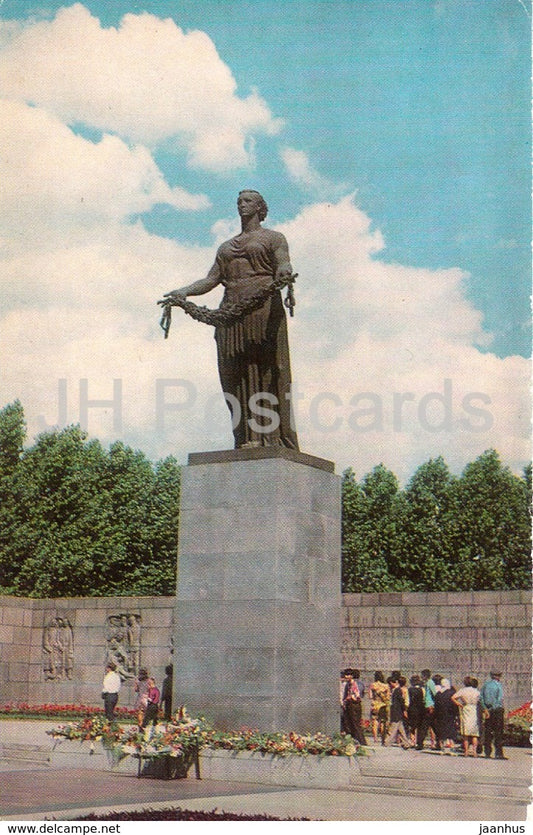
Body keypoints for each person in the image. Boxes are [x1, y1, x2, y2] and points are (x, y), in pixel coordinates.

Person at [160, 190, 299, 450]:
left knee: (265, 370)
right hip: (231, 310)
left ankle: (269, 436)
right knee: (235, 374)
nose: (241, 205)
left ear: (260, 207)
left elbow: (283, 262)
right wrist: (184, 292)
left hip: (262, 307)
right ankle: (247, 437)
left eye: (247, 201)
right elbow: (211, 280)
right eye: (238, 201)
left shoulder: (274, 238)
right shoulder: (226, 247)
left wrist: (284, 271)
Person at [480, 670, 508, 760]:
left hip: (488, 710)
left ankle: (487, 752)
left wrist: (485, 709)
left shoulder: (486, 685)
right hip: (497, 710)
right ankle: (498, 753)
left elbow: (481, 698)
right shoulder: (498, 685)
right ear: (499, 676)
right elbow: (499, 699)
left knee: (488, 731)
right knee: (498, 732)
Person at [452, 676, 481, 757]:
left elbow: (453, 698)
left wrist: (459, 704)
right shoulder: (476, 691)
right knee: (475, 733)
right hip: (474, 709)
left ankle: (466, 751)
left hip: (466, 708)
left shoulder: (463, 691)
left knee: (466, 733)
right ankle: (474, 752)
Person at [384, 677, 411, 748]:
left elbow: (400, 701)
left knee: (394, 728)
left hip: (396, 711)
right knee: (399, 728)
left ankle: (388, 741)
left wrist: (403, 710)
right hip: (398, 711)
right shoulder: (397, 690)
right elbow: (402, 701)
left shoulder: (397, 690)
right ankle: (406, 742)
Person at [342, 669, 366, 745]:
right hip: (349, 704)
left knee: (355, 723)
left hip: (354, 704)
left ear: (351, 675)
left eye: (347, 675)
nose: (345, 676)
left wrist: (352, 697)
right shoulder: (348, 684)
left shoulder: (357, 683)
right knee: (348, 723)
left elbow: (358, 695)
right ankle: (353, 740)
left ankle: (361, 741)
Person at [434, 678, 458, 754]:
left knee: (442, 730)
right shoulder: (452, 693)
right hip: (450, 714)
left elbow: (436, 705)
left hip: (440, 714)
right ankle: (452, 747)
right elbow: (454, 705)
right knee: (451, 730)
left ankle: (443, 748)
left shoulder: (438, 694)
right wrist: (456, 714)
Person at [416, 668, 439, 750]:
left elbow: (434, 694)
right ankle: (438, 743)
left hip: (430, 706)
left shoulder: (430, 683)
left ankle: (420, 744)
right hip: (428, 705)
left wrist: (432, 705)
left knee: (425, 726)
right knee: (433, 726)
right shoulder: (427, 683)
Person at [370, 670, 390, 744]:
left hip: (375, 704)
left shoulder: (373, 685)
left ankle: (375, 739)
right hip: (383, 705)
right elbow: (387, 697)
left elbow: (370, 696)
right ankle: (382, 738)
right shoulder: (386, 686)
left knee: (375, 722)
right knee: (382, 722)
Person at [406, 675, 425, 747]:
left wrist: (406, 709)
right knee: (419, 726)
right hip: (420, 709)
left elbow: (407, 701)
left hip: (412, 709)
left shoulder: (409, 690)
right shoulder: (422, 689)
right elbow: (423, 699)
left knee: (412, 726)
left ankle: (412, 741)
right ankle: (418, 741)